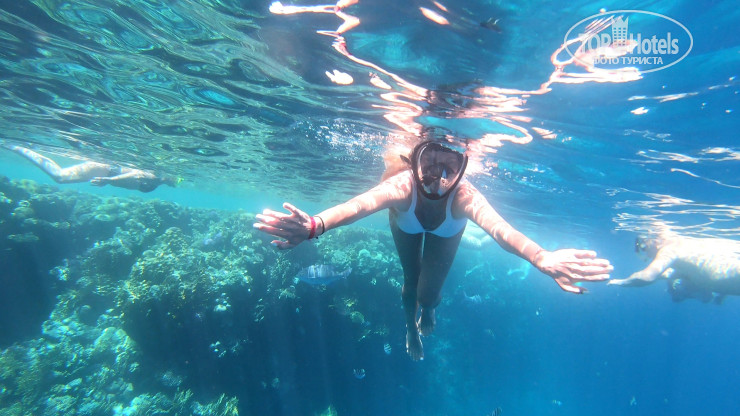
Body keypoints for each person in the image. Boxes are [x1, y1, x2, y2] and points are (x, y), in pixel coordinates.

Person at [253, 140, 613, 360]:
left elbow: (499, 229)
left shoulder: (465, 196)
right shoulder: (402, 186)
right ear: (415, 161)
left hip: (446, 229)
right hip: (407, 221)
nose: (437, 179)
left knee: (428, 293)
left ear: (461, 171)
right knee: (411, 280)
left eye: (449, 169)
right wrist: (314, 225)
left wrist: (540, 257)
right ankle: (410, 328)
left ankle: (427, 309)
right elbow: (359, 206)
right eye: (429, 164)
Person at [609, 234, 740, 303]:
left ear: (655, 241)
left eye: (644, 247)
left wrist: (623, 282)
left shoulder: (669, 249)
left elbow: (647, 276)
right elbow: (671, 273)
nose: (647, 255)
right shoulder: (687, 245)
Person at [7, 145, 178, 193]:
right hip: (103, 170)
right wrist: (109, 180)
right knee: (60, 177)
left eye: (179, 180)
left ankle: (21, 148)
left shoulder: (157, 182)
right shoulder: (154, 177)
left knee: (60, 176)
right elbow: (135, 173)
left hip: (104, 170)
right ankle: (19, 148)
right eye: (177, 179)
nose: (176, 182)